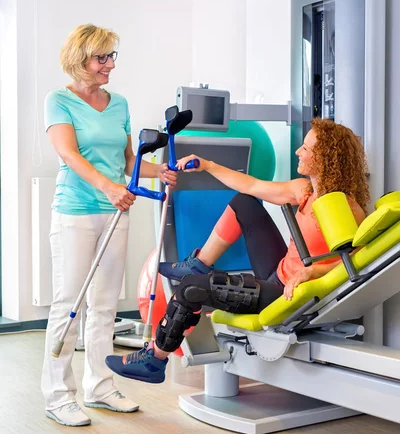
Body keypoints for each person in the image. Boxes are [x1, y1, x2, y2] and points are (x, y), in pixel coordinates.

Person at [105, 118, 369, 384]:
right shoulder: (304, 190)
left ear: (326, 158)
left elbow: (356, 263)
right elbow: (251, 186)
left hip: (287, 295)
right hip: (277, 272)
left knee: (190, 289)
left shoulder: (343, 206)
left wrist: (312, 272)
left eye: (306, 149)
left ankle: (154, 359)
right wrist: (208, 165)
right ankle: (200, 262)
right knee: (245, 202)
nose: (298, 152)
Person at [41, 24, 177, 426]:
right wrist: (109, 187)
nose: (110, 65)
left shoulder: (118, 103)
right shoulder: (59, 101)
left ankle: (98, 386)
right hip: (77, 211)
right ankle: (57, 395)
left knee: (104, 304)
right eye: (102, 57)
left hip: (116, 212)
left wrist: (162, 171)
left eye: (112, 56)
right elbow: (69, 154)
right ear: (80, 59)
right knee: (69, 302)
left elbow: (129, 159)